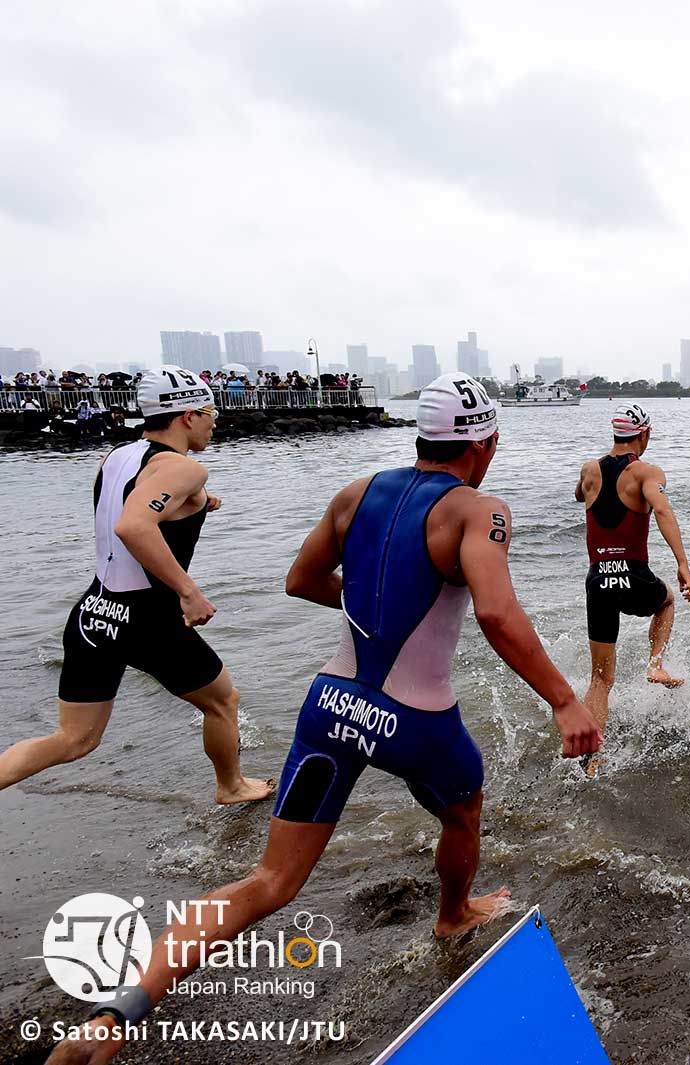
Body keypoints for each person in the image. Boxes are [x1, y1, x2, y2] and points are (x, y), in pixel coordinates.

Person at [45, 373, 604, 1065]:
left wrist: (374, 599)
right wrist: (563, 698)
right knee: (462, 811)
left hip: (329, 707)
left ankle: (115, 1014)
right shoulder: (479, 509)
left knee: (267, 884)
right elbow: (495, 611)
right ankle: (453, 911)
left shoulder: (356, 491)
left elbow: (300, 581)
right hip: (415, 721)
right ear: (484, 442)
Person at [0, 367, 273, 805]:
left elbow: (129, 503)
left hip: (96, 612)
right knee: (222, 701)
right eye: (210, 411)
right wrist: (188, 590)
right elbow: (134, 524)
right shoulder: (185, 468)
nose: (215, 420)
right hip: (148, 619)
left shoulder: (118, 456)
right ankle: (232, 786)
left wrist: (201, 503)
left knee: (73, 739)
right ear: (187, 415)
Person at [574, 402, 690, 740]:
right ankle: (655, 665)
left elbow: (578, 493)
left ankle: (591, 760)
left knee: (600, 680)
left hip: (597, 580)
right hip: (632, 574)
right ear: (644, 433)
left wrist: (590, 483)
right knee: (667, 600)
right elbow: (662, 510)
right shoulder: (646, 472)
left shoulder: (589, 470)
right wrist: (682, 564)